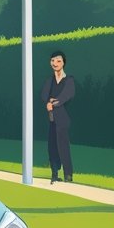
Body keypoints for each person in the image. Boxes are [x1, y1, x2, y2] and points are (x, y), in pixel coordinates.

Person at [41, 50, 76, 183]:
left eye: (58, 61)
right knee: (52, 146)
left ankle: (68, 174)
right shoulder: (49, 80)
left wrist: (53, 103)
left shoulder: (69, 80)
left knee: (63, 146)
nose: (55, 63)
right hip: (52, 119)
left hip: (63, 119)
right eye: (53, 61)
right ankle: (54, 173)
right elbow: (44, 95)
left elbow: (67, 95)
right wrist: (48, 102)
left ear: (63, 63)